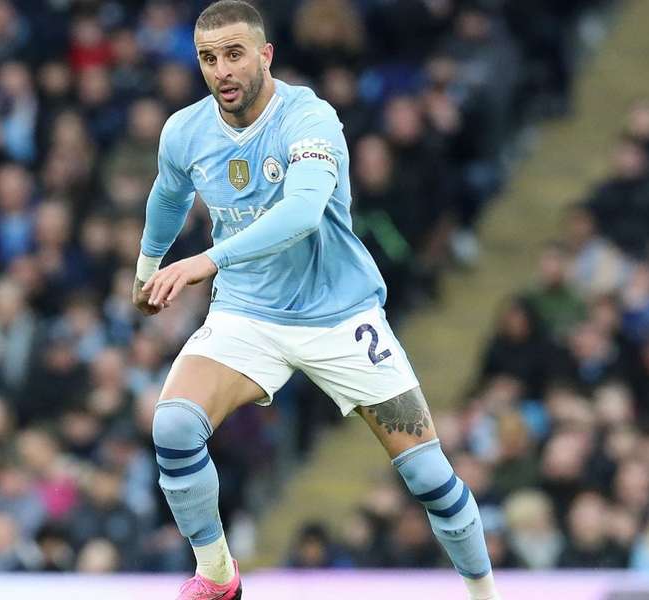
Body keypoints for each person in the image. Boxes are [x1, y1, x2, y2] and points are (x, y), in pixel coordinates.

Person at [133, 2, 500, 599]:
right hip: (247, 313)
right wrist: (147, 266)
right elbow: (169, 194)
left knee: (427, 472)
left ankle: (485, 594)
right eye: (207, 58)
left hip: (340, 315)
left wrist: (206, 259)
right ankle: (218, 576)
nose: (221, 70)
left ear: (265, 54)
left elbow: (302, 213)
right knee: (173, 425)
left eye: (233, 54)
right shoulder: (186, 130)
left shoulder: (309, 118)